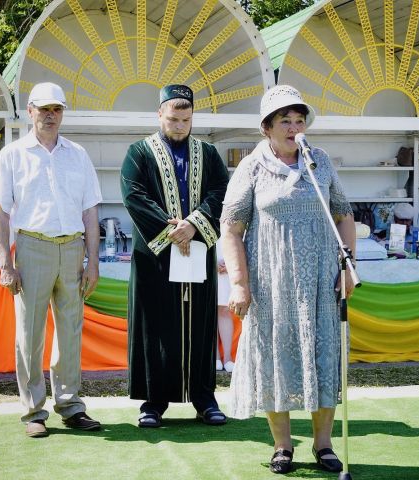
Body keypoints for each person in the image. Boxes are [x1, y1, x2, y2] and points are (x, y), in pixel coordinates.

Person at [220, 85, 356, 474]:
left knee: (323, 355)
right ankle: (282, 446)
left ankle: (324, 445)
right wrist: (240, 283)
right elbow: (231, 229)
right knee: (273, 359)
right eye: (285, 121)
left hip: (320, 280)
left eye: (299, 120)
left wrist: (347, 264)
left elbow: (343, 215)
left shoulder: (320, 162)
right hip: (270, 282)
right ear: (266, 128)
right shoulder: (251, 167)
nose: (294, 127)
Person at [0, 82, 103, 438]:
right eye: (44, 109)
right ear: (30, 111)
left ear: (62, 113)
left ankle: (70, 405)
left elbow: (90, 211)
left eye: (57, 109)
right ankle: (33, 411)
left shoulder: (78, 154)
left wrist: (93, 261)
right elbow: (0, 213)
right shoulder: (12, 154)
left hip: (72, 248)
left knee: (70, 331)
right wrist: (6, 264)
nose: (51, 115)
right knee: (29, 333)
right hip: (33, 247)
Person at [120, 84, 229, 428]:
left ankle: (204, 397)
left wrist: (194, 225)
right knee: (155, 324)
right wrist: (173, 231)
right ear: (160, 115)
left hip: (198, 248)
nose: (179, 125)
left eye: (185, 119)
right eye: (173, 119)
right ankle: (153, 402)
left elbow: (221, 192)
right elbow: (133, 195)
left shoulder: (209, 153)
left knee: (200, 323)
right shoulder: (138, 152)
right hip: (155, 257)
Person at [216, 241, 234, 373]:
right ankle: (214, 356)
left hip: (227, 253)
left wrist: (233, 263)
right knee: (208, 310)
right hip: (208, 256)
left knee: (224, 309)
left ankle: (227, 357)